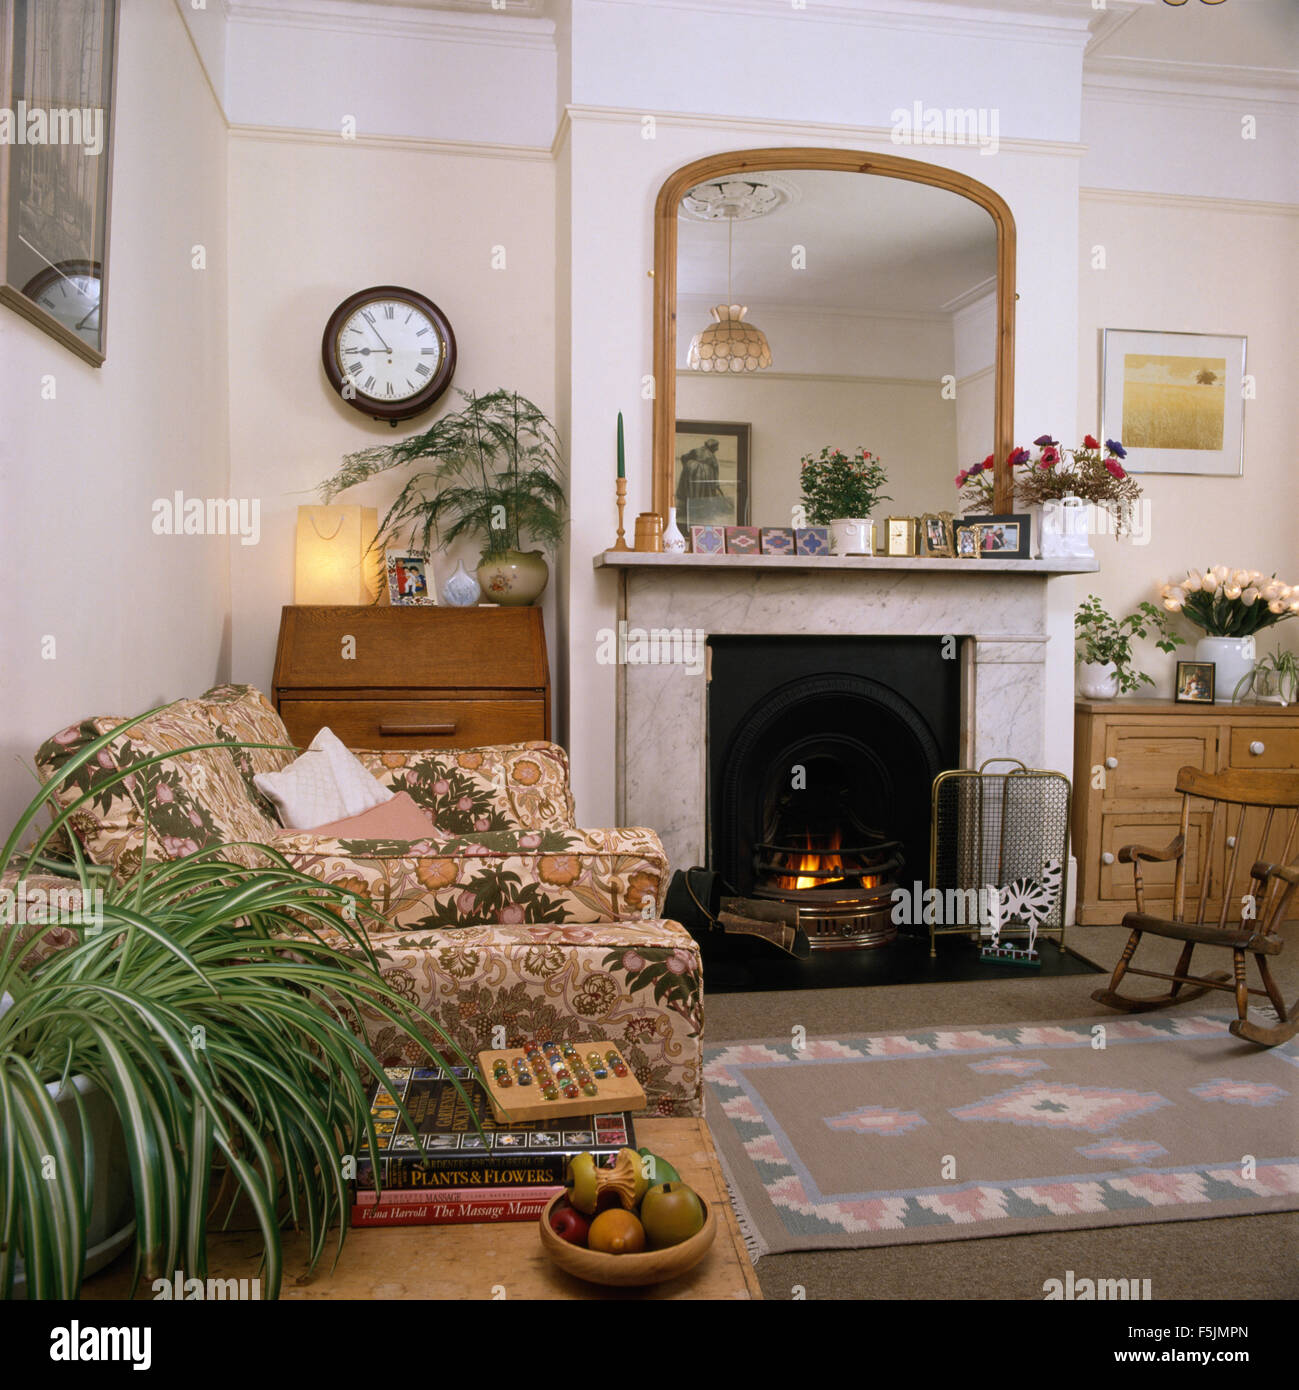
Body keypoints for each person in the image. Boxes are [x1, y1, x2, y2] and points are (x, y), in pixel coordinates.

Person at [675, 437, 726, 521]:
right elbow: (716, 469)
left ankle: (690, 509)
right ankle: (697, 511)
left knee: (692, 490)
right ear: (712, 447)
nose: (716, 450)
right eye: (716, 448)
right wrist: (716, 483)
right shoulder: (711, 456)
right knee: (700, 491)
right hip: (703, 475)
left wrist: (687, 467)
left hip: (691, 472)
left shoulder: (696, 450)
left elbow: (684, 457)